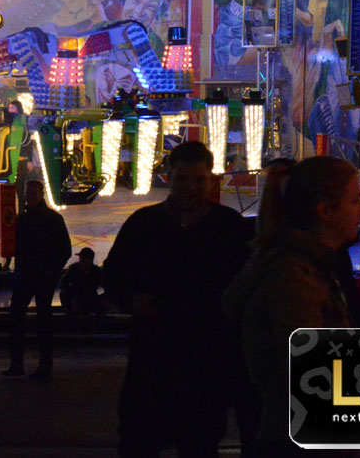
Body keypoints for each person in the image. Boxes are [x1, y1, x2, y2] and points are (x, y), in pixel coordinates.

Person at [104, 141, 258, 457]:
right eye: (183, 179)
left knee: (199, 442)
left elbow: (247, 287)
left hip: (206, 361)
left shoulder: (230, 227)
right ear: (169, 178)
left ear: (210, 179)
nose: (191, 188)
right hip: (153, 359)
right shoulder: (143, 224)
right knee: (139, 440)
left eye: (198, 180)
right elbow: (115, 274)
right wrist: (132, 301)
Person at [223, 156, 360, 457]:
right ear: (325, 211)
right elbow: (309, 372)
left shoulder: (312, 266)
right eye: (355, 201)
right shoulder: (294, 278)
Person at [3, 179, 71, 380]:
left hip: (37, 275)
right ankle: (35, 363)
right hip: (34, 275)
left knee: (30, 319)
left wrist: (51, 272)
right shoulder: (31, 219)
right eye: (28, 191)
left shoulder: (38, 219)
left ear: (41, 194)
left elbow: (63, 250)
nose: (30, 194)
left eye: (33, 191)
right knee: (33, 319)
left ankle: (27, 363)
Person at [59, 246, 106, 319]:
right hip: (75, 296)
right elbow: (63, 283)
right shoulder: (73, 269)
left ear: (90, 260)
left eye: (82, 259)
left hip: (90, 296)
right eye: (80, 258)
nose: (80, 261)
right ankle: (69, 312)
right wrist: (73, 297)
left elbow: (106, 284)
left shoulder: (97, 271)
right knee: (63, 294)